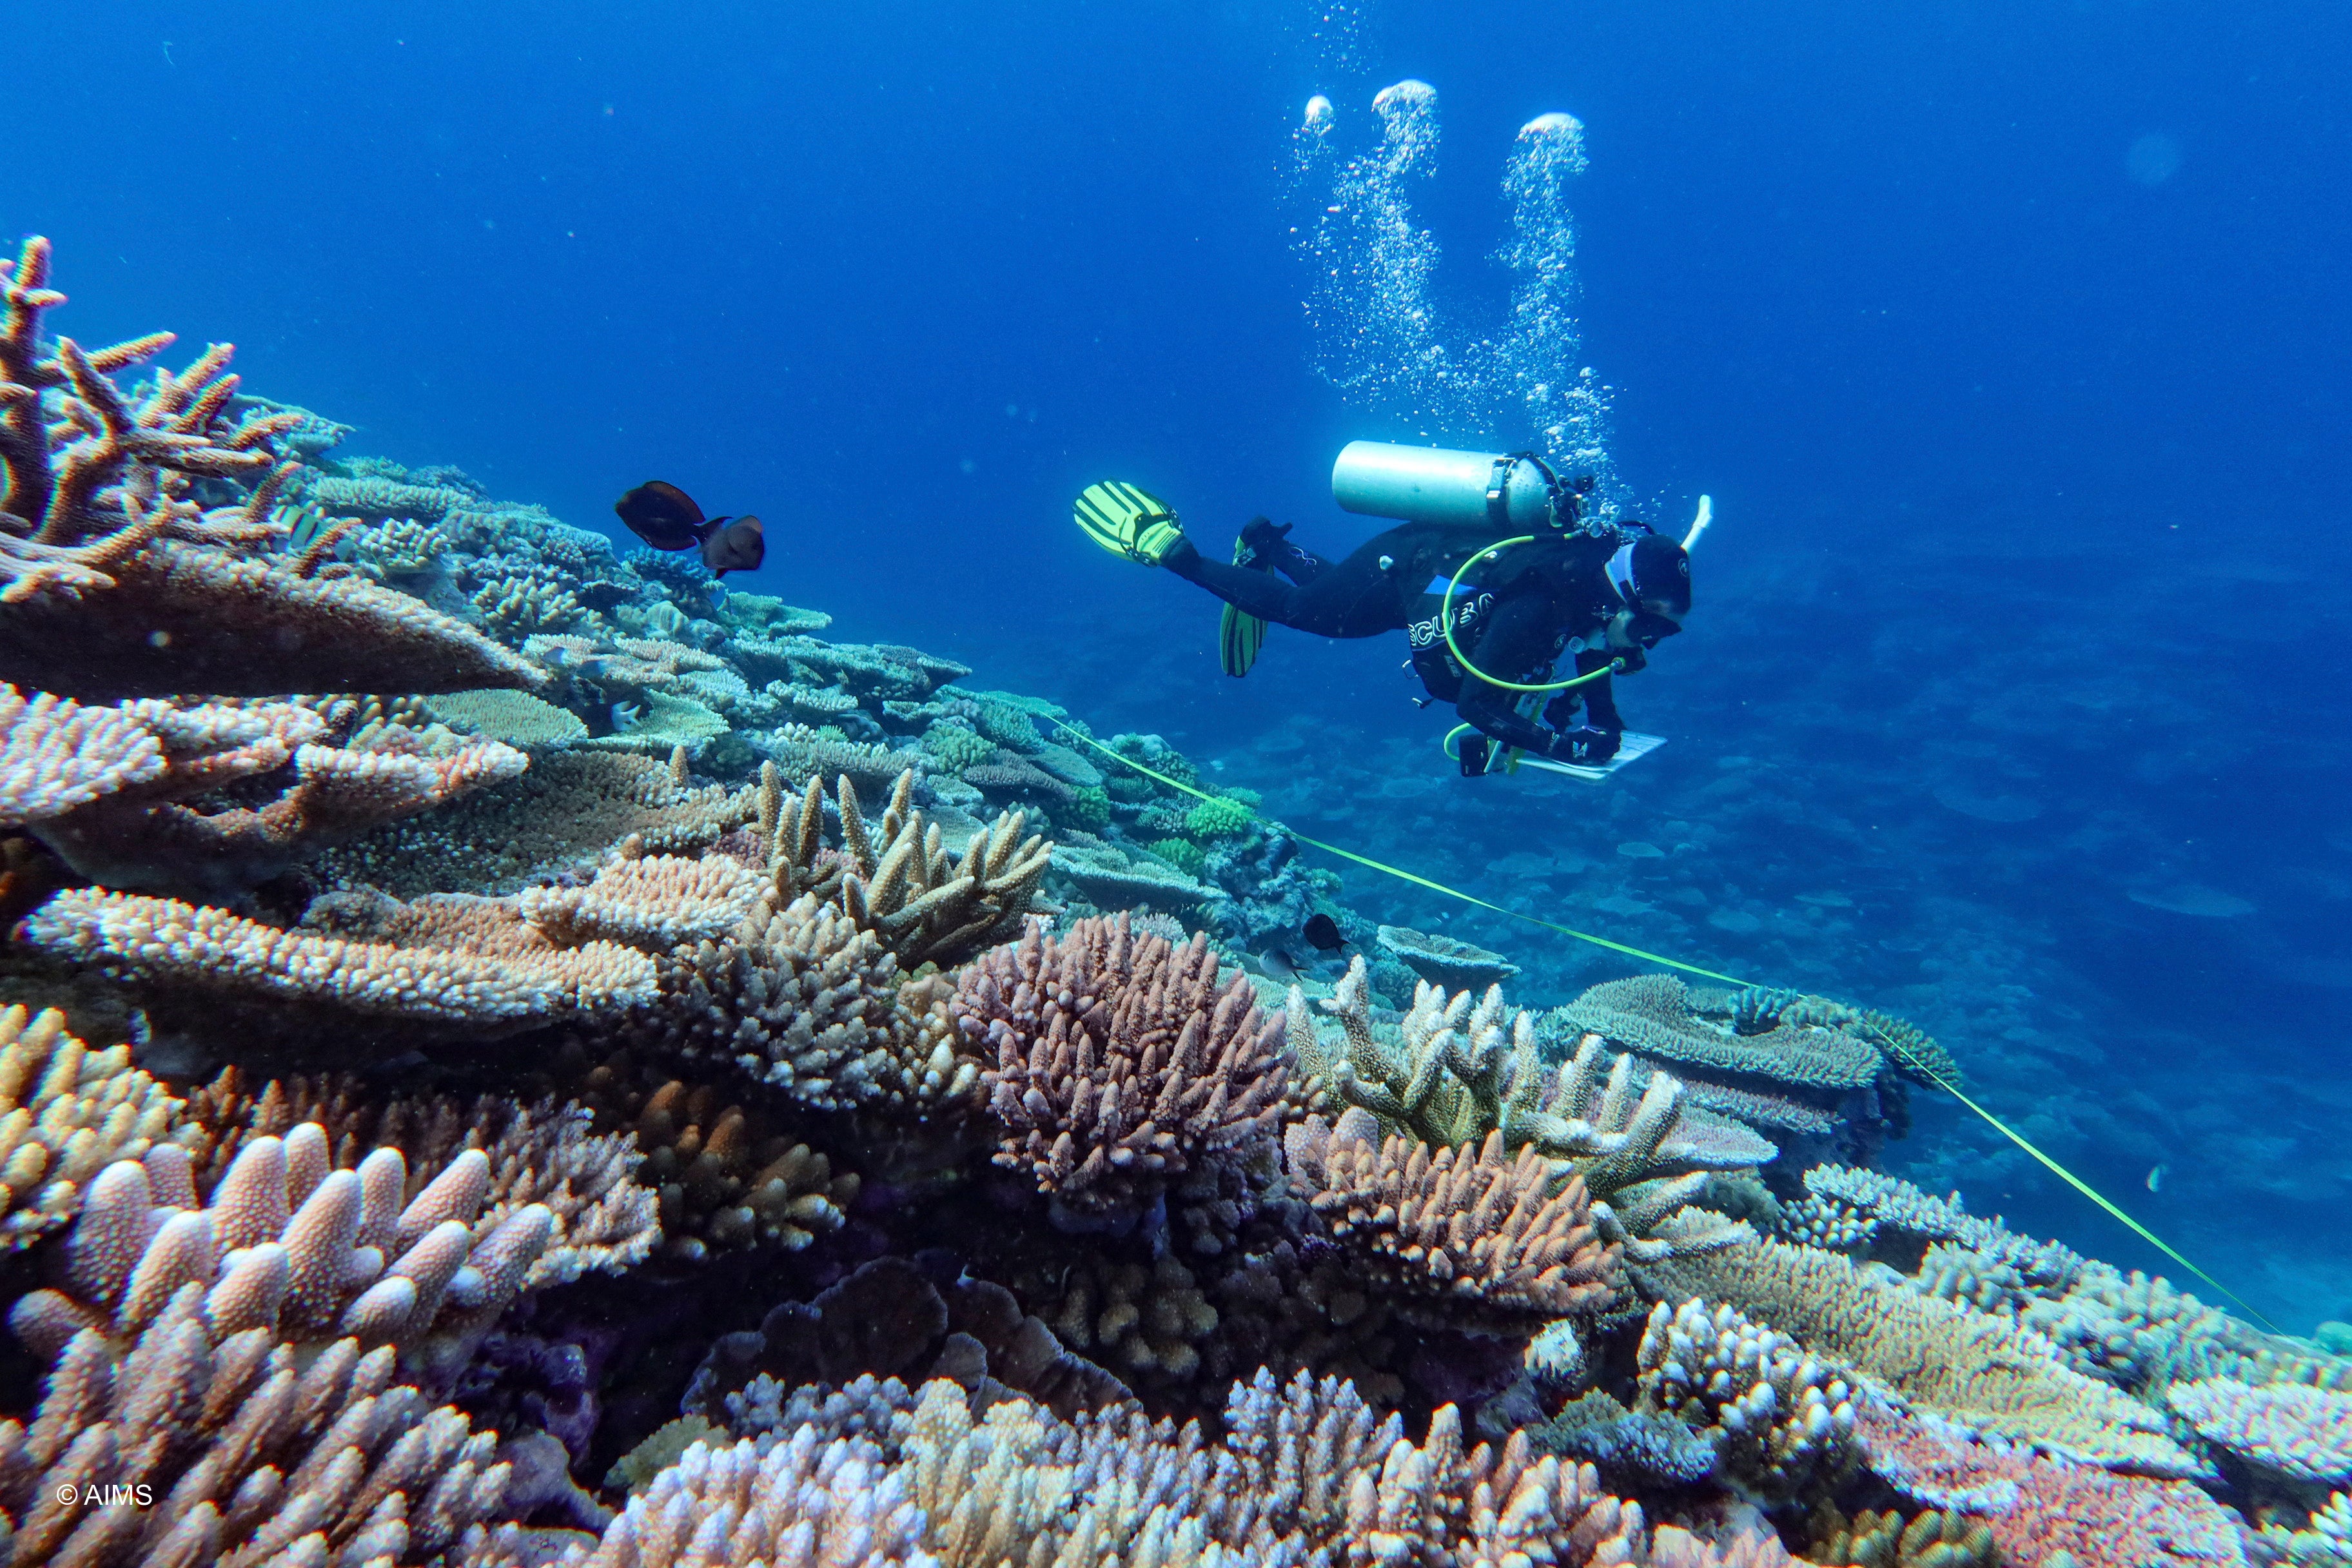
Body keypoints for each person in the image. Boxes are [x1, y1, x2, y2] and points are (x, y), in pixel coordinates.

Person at [1072, 479, 1690, 775]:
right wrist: (1559, 746)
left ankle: (1269, 545)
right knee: (1309, 614)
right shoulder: (1539, 608)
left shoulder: (1585, 600)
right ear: (1620, 599)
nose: (1647, 647)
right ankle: (1177, 553)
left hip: (1426, 591)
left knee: (1346, 601)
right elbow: (1475, 703)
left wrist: (1606, 723)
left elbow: (1591, 656)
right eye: (1649, 631)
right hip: (1415, 565)